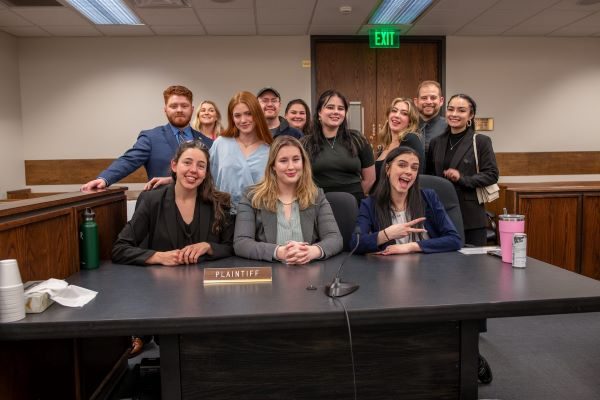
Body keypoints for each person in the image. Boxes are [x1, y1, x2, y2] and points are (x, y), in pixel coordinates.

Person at [112, 140, 233, 357]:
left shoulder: (219, 203)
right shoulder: (151, 200)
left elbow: (231, 247)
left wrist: (208, 247)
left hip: (209, 300)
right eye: (187, 162)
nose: (193, 170)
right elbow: (120, 248)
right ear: (174, 165)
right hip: (161, 299)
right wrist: (157, 257)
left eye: (200, 165)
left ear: (206, 173)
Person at [81, 85, 213, 191]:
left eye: (184, 106)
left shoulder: (208, 143)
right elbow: (129, 160)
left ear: (192, 109)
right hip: (161, 208)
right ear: (165, 109)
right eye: (173, 106)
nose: (179, 110)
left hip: (199, 207)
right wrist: (104, 179)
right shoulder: (151, 138)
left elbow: (213, 176)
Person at [234, 136, 342, 263]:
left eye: (296, 159)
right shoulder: (252, 197)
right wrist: (279, 252)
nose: (291, 167)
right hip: (270, 273)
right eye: (283, 161)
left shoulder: (316, 196)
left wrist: (312, 251)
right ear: (273, 165)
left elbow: (335, 238)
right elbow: (241, 243)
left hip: (309, 273)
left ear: (303, 162)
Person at [352, 146, 461, 255]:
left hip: (428, 266)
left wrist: (411, 246)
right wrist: (386, 234)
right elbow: (355, 244)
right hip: (388, 268)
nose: (409, 171)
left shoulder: (428, 197)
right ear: (387, 169)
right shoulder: (370, 204)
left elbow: (454, 240)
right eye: (402, 165)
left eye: (414, 168)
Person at [426, 94, 499, 247]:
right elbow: (429, 175)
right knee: (442, 265)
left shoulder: (481, 141)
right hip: (441, 214)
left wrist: (462, 178)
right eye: (450, 109)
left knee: (473, 267)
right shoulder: (436, 143)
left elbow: (492, 175)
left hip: (470, 217)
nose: (454, 114)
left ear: (470, 115)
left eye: (461, 110)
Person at [302, 89, 375, 203]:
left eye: (341, 108)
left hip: (354, 205)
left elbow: (370, 179)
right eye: (330, 107)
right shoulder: (305, 143)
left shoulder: (358, 139)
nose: (336, 112)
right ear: (319, 112)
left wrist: (352, 199)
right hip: (317, 205)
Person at [210, 91, 274, 211]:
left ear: (257, 114)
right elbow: (205, 175)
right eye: (237, 116)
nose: (243, 120)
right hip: (224, 215)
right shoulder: (221, 144)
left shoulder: (270, 149)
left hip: (258, 217)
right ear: (232, 118)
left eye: (248, 114)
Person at [374, 97, 424, 189]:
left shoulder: (410, 139)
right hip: (378, 198)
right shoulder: (384, 146)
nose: (397, 115)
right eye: (394, 111)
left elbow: (415, 177)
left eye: (404, 113)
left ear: (410, 121)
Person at [414, 80, 447, 153]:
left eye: (433, 98)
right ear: (416, 102)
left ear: (441, 101)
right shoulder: (407, 126)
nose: (428, 102)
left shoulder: (449, 128)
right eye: (424, 98)